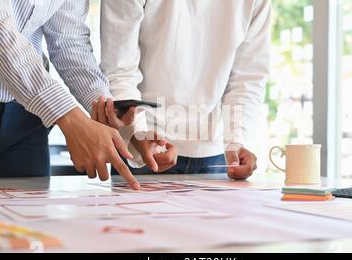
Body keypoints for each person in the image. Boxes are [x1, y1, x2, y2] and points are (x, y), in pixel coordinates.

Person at [0, 0, 139, 189]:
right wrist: (70, 117)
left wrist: (104, 106)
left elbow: (69, 41)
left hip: (24, 119)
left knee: (27, 214)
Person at [96, 0, 271, 179]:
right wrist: (137, 133)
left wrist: (237, 141)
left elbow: (247, 78)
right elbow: (119, 69)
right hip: (145, 147)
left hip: (217, 155)